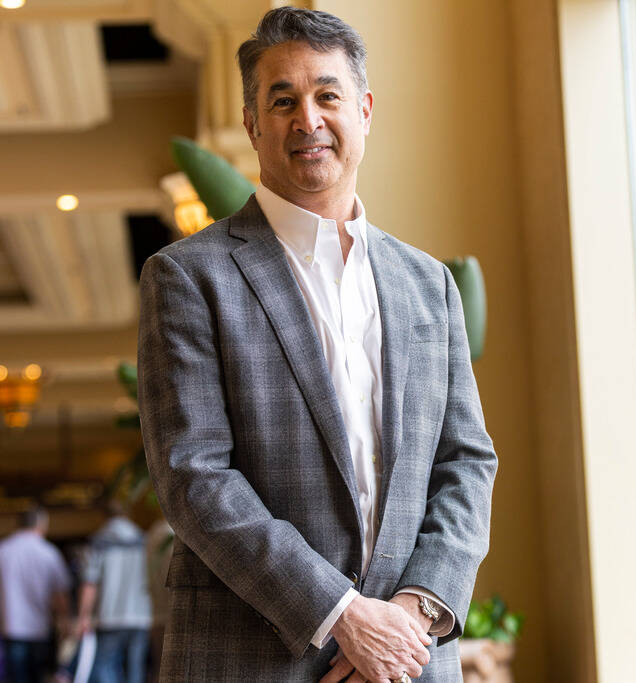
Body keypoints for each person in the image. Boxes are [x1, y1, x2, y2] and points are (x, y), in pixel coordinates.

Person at [137, 7, 497, 682]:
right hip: (252, 660)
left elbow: (467, 462)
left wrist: (406, 621)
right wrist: (344, 616)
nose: (308, 119)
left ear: (362, 110)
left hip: (408, 660)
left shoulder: (429, 285)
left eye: (327, 95)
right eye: (283, 100)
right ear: (252, 124)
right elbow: (194, 477)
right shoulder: (187, 277)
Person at [0, 506, 71, 683]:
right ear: (42, 525)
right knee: (40, 676)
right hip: (41, 628)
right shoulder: (49, 552)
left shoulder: (2, 550)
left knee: (16, 677)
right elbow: (60, 593)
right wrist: (64, 620)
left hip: (11, 625)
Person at [76, 500, 152, 683]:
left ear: (103, 516)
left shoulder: (99, 541)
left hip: (110, 616)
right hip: (141, 616)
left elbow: (90, 582)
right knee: (135, 670)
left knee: (104, 665)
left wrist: (83, 616)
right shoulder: (142, 539)